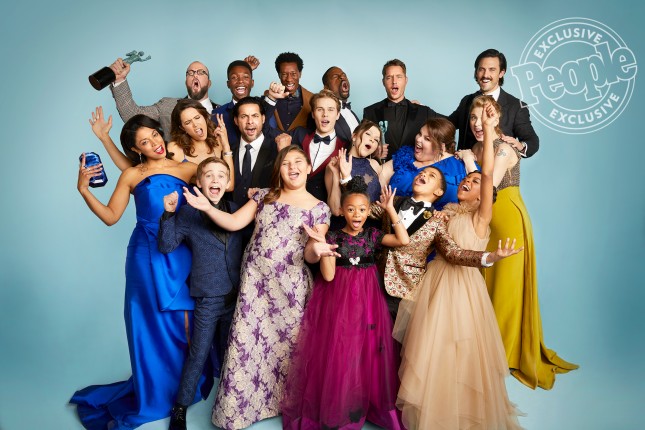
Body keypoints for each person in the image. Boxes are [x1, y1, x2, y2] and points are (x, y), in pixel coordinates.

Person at [70, 114, 211, 429]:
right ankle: (154, 391)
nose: (155, 143)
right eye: (145, 142)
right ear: (136, 150)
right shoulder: (131, 175)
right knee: (147, 323)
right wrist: (84, 190)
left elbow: (221, 185)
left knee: (183, 321)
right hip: (145, 254)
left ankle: (182, 387)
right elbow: (111, 216)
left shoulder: (188, 168)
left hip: (181, 251)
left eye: (155, 135)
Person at [181, 146, 334, 429]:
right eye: (286, 163)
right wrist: (207, 207)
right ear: (279, 169)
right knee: (248, 346)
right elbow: (233, 222)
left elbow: (311, 253)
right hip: (255, 286)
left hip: (289, 289)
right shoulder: (265, 196)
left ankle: (282, 404)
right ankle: (243, 410)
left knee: (286, 348)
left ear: (308, 167)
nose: (292, 167)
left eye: (298, 162)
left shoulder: (319, 208)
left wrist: (319, 249)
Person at [393, 99, 523, 429]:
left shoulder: (481, 217)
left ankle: (461, 409)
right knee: (431, 346)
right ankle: (434, 407)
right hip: (435, 282)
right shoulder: (445, 213)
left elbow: (489, 173)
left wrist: (490, 131)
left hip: (463, 287)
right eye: (467, 180)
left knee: (461, 345)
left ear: (484, 196)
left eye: (476, 183)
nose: (469, 182)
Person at [467, 96, 578, 389]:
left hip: (507, 221)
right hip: (481, 222)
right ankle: (483, 347)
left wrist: (466, 163)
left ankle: (501, 355)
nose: (478, 124)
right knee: (483, 286)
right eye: (473, 118)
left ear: (496, 119)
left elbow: (488, 185)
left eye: (485, 117)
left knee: (506, 289)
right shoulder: (474, 148)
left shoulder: (506, 148)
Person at [281, 178, 408, 430]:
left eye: (362, 209)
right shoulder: (334, 236)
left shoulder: (373, 234)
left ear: (369, 210)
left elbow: (402, 240)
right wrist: (324, 247)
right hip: (339, 303)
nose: (356, 214)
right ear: (341, 211)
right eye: (350, 209)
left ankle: (363, 402)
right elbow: (328, 277)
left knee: (366, 349)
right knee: (341, 349)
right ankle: (341, 404)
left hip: (369, 302)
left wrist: (390, 209)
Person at [157, 157, 245, 430]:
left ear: (228, 183)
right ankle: (180, 408)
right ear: (199, 181)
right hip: (208, 297)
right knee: (199, 353)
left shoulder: (236, 210)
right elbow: (166, 246)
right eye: (209, 175)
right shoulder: (187, 213)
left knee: (233, 351)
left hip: (237, 294)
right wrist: (168, 214)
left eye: (221, 175)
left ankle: (231, 403)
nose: (215, 180)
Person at [371, 166, 505, 322]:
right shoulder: (394, 201)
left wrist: (489, 257)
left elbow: (452, 252)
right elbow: (360, 210)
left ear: (439, 191)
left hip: (406, 287)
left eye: (431, 175)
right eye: (422, 172)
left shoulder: (439, 221)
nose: (423, 174)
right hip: (373, 276)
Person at [447, 49, 539, 157]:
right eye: (481, 69)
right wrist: (426, 111)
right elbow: (447, 124)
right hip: (465, 165)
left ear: (501, 73)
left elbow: (532, 141)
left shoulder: (516, 106)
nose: (485, 75)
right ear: (476, 72)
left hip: (497, 166)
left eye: (492, 70)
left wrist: (520, 146)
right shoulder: (467, 100)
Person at [108, 58, 219, 138]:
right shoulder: (167, 106)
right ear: (186, 83)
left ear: (209, 83)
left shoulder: (224, 112)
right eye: (190, 73)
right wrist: (119, 80)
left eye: (201, 72)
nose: (195, 75)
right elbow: (132, 115)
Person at [381, 118, 472, 210]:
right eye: (420, 133)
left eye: (427, 139)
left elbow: (476, 197)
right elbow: (380, 174)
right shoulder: (406, 153)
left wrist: (469, 160)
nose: (418, 139)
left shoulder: (459, 166)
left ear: (441, 147)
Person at [363, 59, 441, 159]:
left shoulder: (424, 111)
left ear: (406, 80)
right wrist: (373, 153)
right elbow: (361, 146)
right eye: (389, 77)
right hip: (382, 167)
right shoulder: (370, 112)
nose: (394, 81)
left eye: (399, 77)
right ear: (383, 82)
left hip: (415, 168)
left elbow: (450, 124)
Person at [290, 89, 347, 202]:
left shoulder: (346, 147)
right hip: (294, 204)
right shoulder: (299, 135)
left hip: (326, 209)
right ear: (313, 114)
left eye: (330, 110)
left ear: (337, 115)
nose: (325, 114)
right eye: (320, 109)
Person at [168, 99, 234, 187]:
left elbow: (229, 186)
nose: (195, 124)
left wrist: (226, 145)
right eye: (188, 122)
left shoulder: (219, 141)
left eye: (197, 118)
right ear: (182, 128)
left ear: (204, 117)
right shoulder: (174, 149)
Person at [326, 120, 384, 217]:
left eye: (376, 140)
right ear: (354, 136)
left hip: (374, 224)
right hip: (346, 225)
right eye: (368, 134)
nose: (372, 140)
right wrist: (336, 175)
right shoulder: (335, 164)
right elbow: (335, 210)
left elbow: (384, 203)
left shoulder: (375, 165)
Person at [212, 57, 260, 145]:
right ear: (228, 84)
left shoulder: (262, 109)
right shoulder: (217, 115)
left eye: (245, 77)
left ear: (252, 83)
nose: (240, 81)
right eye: (234, 77)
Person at [264, 52, 314, 132]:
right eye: (284, 74)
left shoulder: (312, 99)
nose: (289, 79)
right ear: (279, 75)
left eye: (293, 74)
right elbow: (262, 122)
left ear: (300, 74)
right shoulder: (269, 96)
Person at [322, 66, 360, 143]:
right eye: (335, 77)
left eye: (344, 75)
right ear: (326, 88)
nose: (342, 77)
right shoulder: (321, 115)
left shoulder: (352, 113)